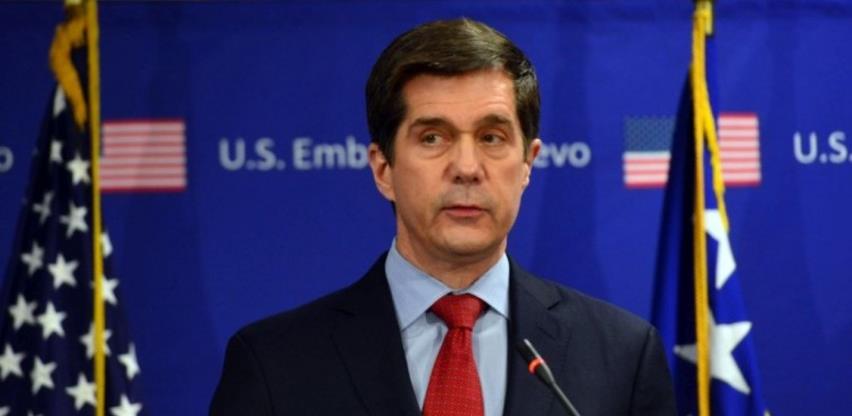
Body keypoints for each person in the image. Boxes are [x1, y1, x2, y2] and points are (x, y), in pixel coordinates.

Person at [210, 18, 675, 416]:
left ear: (527, 165)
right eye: (433, 137)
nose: (467, 167)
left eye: (492, 137)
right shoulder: (275, 365)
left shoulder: (622, 356)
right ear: (383, 169)